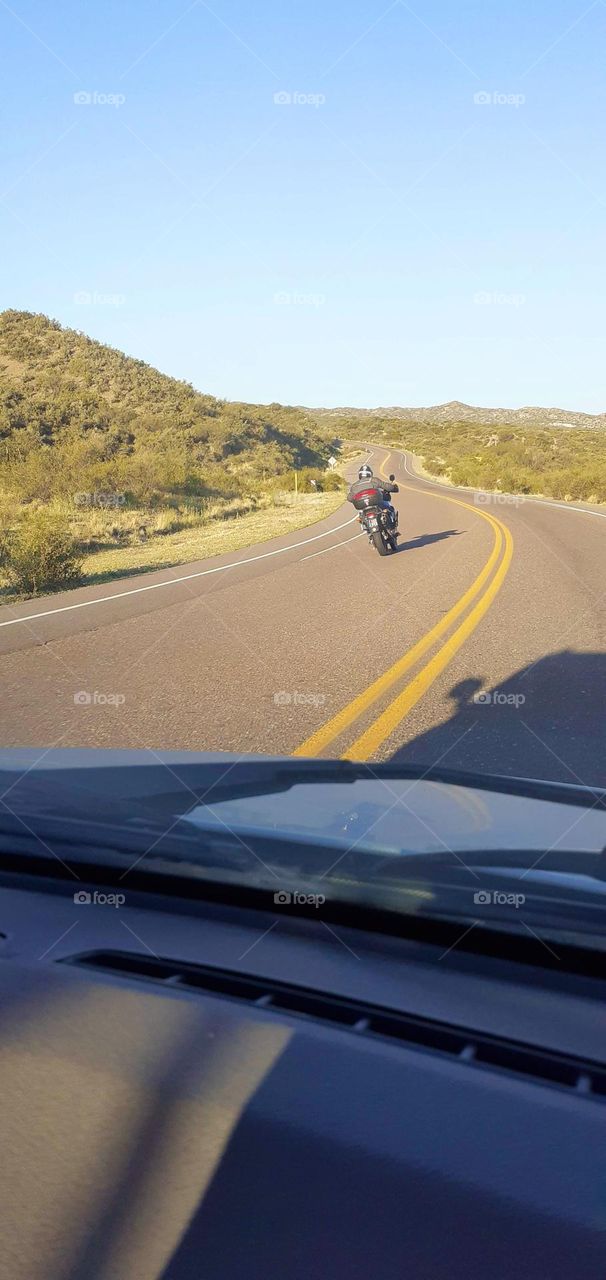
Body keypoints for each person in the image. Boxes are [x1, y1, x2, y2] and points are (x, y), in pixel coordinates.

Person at [347, 464, 399, 531]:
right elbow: (387, 486)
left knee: (361, 514)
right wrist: (393, 487)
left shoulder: (354, 486)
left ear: (359, 475)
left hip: (363, 508)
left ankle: (364, 523)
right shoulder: (374, 480)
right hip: (376, 505)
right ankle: (390, 524)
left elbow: (349, 498)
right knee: (388, 507)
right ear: (370, 473)